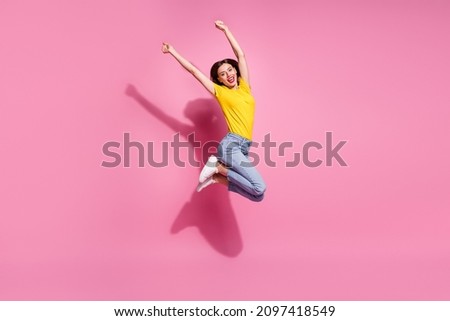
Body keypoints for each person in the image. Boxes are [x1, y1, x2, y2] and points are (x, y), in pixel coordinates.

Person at [162, 20, 266, 202]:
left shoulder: (245, 87)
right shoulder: (220, 92)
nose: (229, 75)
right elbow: (194, 71)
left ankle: (218, 177)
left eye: (230, 70)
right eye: (223, 74)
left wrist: (226, 30)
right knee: (259, 187)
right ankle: (218, 168)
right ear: (220, 80)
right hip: (232, 144)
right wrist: (172, 51)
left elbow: (240, 55)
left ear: (235, 70)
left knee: (258, 196)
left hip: (244, 147)